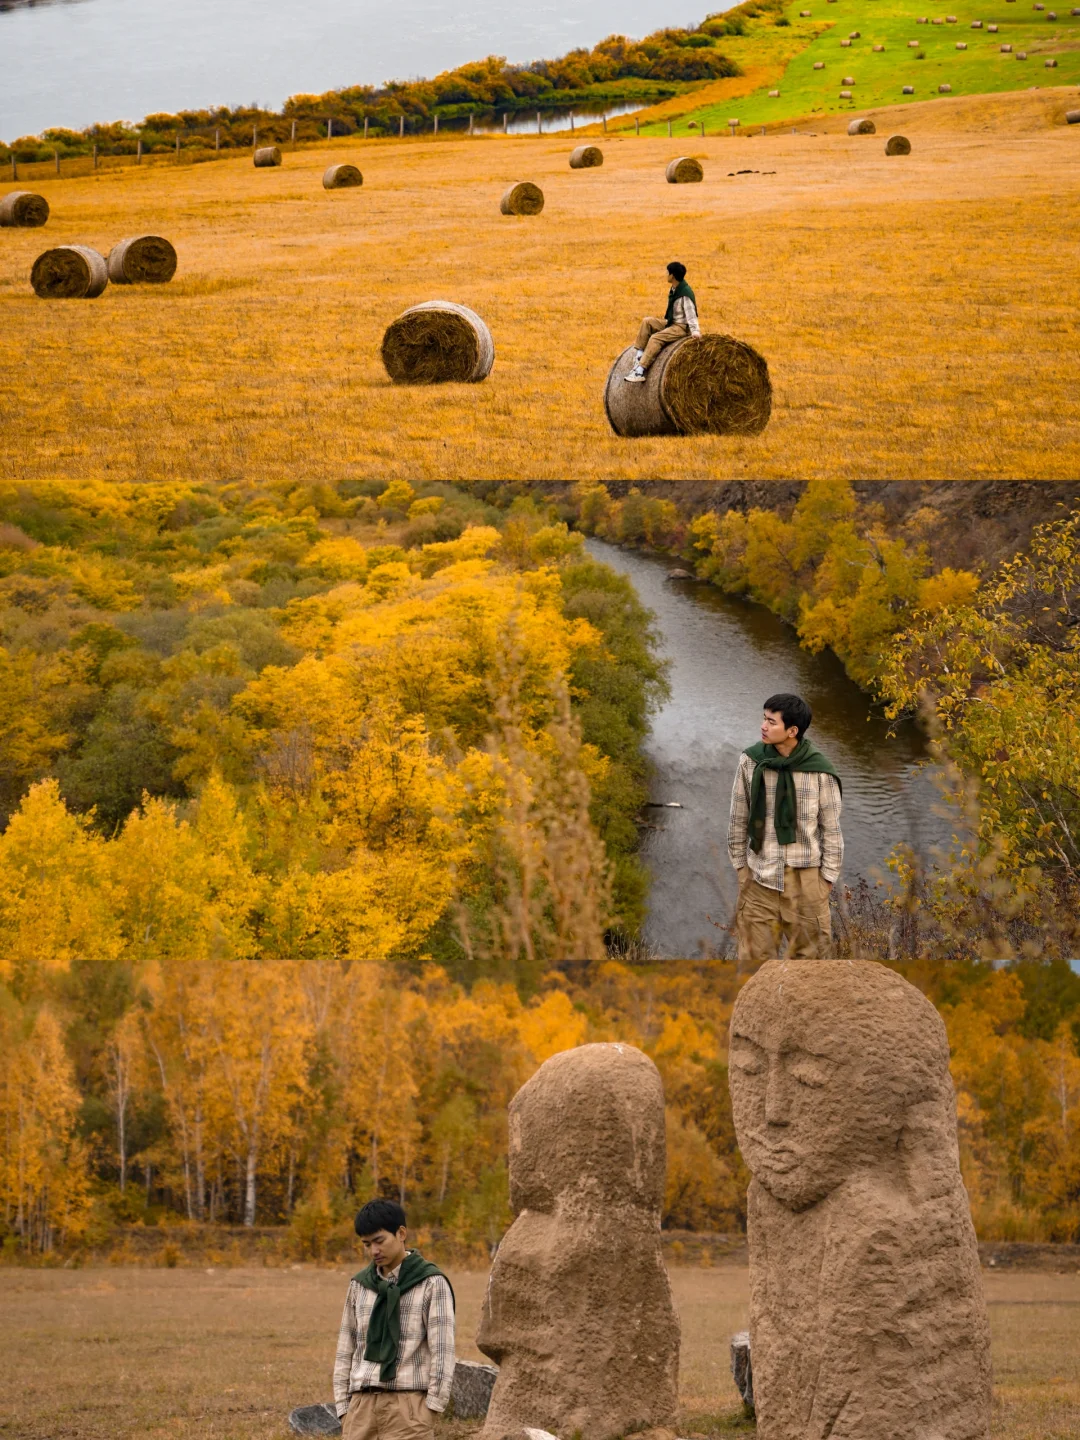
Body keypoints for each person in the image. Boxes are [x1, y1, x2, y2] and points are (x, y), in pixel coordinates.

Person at [727, 693, 843, 961]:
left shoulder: (820, 771)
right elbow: (737, 818)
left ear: (793, 731)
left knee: (812, 966)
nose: (763, 726)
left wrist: (826, 879)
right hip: (758, 878)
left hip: (806, 882)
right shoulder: (751, 761)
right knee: (754, 964)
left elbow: (832, 830)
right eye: (763, 719)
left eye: (771, 722)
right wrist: (740, 867)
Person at [334, 1199, 455, 1440]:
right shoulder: (360, 1285)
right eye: (367, 1244)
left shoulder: (431, 1282)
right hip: (361, 1409)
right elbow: (346, 1347)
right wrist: (343, 1409)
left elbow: (443, 1349)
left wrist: (430, 1409)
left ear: (401, 1234)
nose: (374, 1251)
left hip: (408, 1407)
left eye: (379, 1241)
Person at [623, 262, 700, 382]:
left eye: (667, 272)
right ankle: (639, 356)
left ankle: (640, 371)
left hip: (681, 327)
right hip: (671, 322)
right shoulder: (675, 288)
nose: (665, 274)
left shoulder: (685, 293)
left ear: (672, 276)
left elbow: (691, 314)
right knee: (647, 322)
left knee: (655, 338)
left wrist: (695, 331)